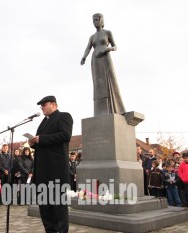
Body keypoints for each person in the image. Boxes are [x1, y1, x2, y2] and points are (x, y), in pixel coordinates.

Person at [29, 95, 73, 233]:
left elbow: (65, 135)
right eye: (40, 106)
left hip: (56, 172)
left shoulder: (64, 116)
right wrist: (33, 143)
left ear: (54, 104)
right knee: (45, 207)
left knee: (59, 207)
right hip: (42, 172)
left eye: (44, 104)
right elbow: (42, 143)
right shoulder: (43, 122)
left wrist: (41, 139)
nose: (41, 107)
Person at [80, 13, 125, 116]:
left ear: (101, 20)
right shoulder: (92, 37)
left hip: (105, 57)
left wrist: (110, 49)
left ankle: (114, 107)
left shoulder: (108, 32)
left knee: (109, 79)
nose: (95, 22)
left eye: (96, 19)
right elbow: (88, 48)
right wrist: (84, 57)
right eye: (93, 20)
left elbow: (115, 45)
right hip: (95, 59)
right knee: (98, 83)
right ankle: (100, 108)